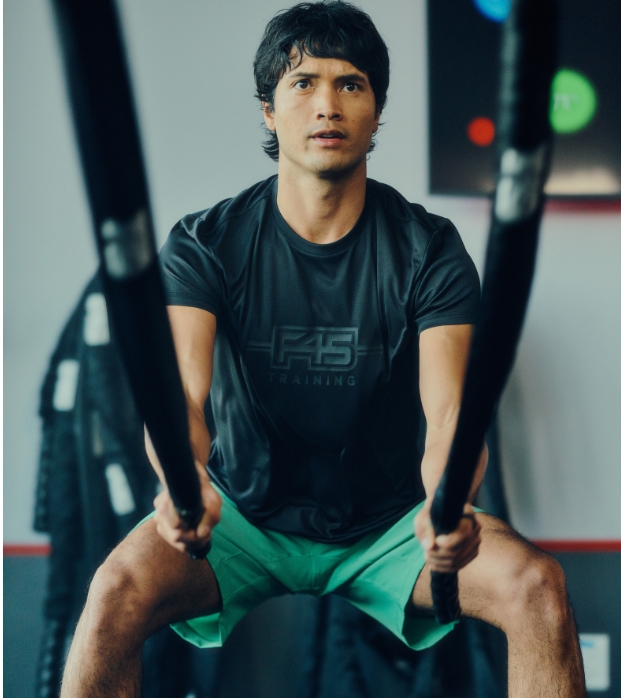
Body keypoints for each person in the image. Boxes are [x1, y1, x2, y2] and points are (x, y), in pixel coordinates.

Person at [61, 2, 585, 696]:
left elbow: (450, 413)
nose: (327, 105)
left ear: (376, 110)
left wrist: (449, 503)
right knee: (112, 595)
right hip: (238, 516)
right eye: (303, 82)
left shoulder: (429, 249)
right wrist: (182, 487)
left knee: (536, 588)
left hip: (391, 526)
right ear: (269, 110)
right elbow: (183, 397)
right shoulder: (204, 243)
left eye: (351, 84)